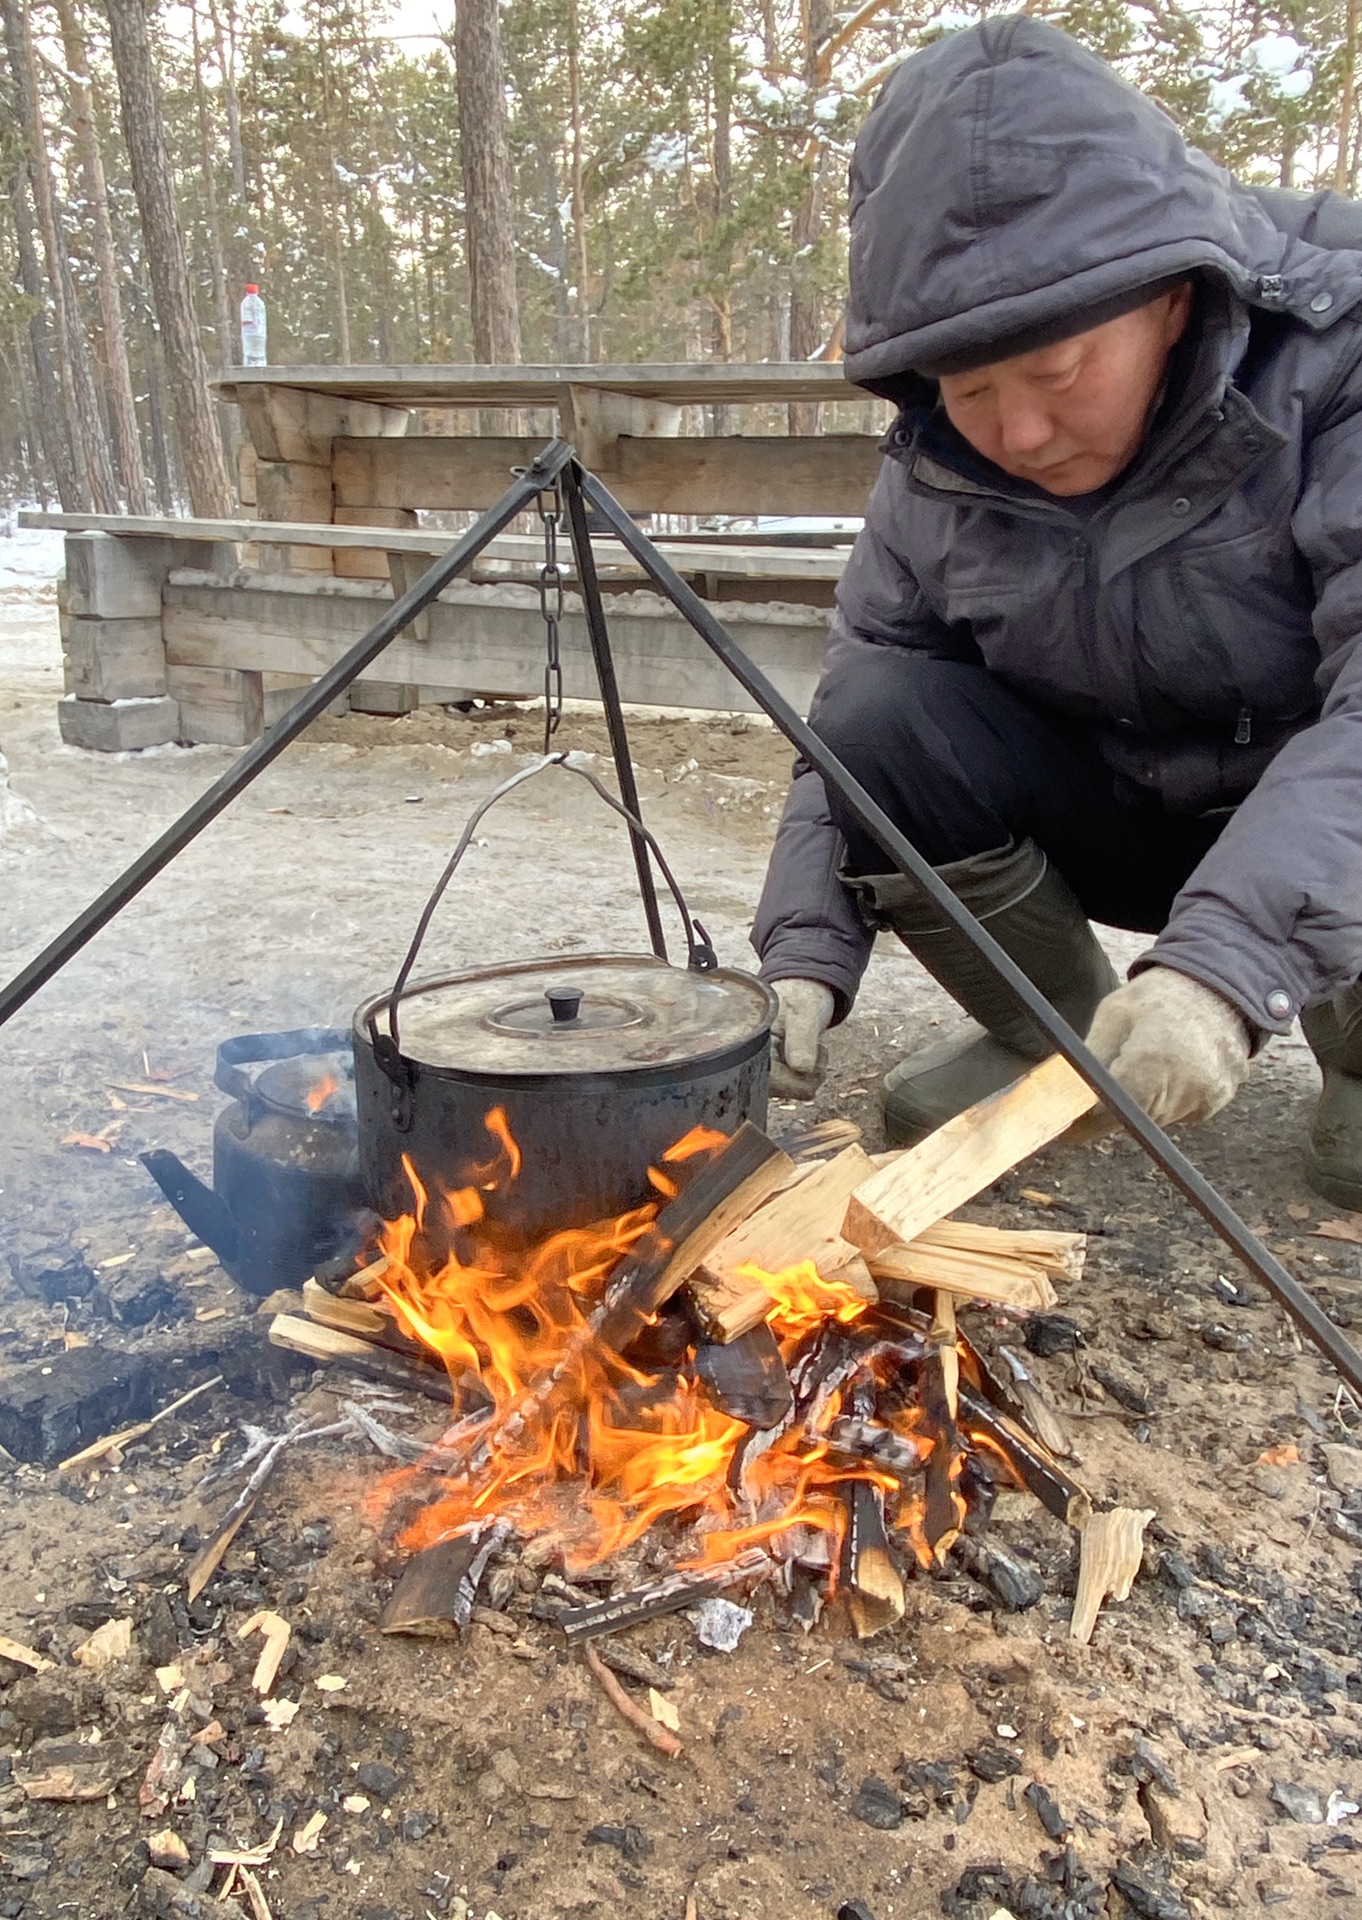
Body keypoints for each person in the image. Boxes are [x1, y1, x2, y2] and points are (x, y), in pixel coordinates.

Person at [753, 16, 1362, 1208]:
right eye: (971, 388)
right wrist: (804, 961)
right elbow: (858, 704)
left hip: (1320, 804)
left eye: (1057, 373)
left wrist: (1221, 973)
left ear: (1174, 297)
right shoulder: (934, 462)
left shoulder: (1338, 352)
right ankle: (1067, 1041)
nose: (1018, 433)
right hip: (1128, 805)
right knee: (883, 716)